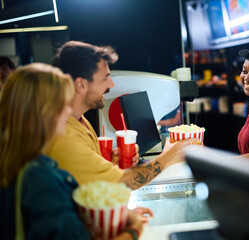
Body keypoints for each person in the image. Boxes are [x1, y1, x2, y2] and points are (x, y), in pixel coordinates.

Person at [0, 63, 151, 239]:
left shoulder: (17, 161)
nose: (68, 111)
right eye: (63, 103)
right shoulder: (39, 177)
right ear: (45, 114)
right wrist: (133, 230)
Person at [49, 41, 195, 188]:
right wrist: (169, 156)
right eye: (105, 78)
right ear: (81, 85)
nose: (111, 85)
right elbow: (121, 183)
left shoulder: (81, 120)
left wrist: (113, 163)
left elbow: (92, 180)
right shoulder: (65, 137)